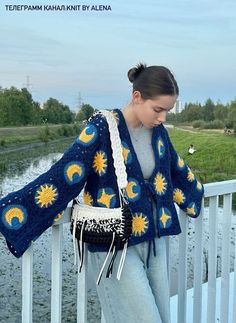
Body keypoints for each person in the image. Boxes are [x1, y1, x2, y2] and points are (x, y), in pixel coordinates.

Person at [0, 63, 204, 323]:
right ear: (137, 97)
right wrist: (11, 211)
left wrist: (196, 194)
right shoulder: (102, 127)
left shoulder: (159, 132)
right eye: (158, 109)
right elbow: (64, 175)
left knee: (162, 316)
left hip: (155, 241)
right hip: (114, 246)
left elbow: (176, 171)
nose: (163, 117)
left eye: (168, 111)